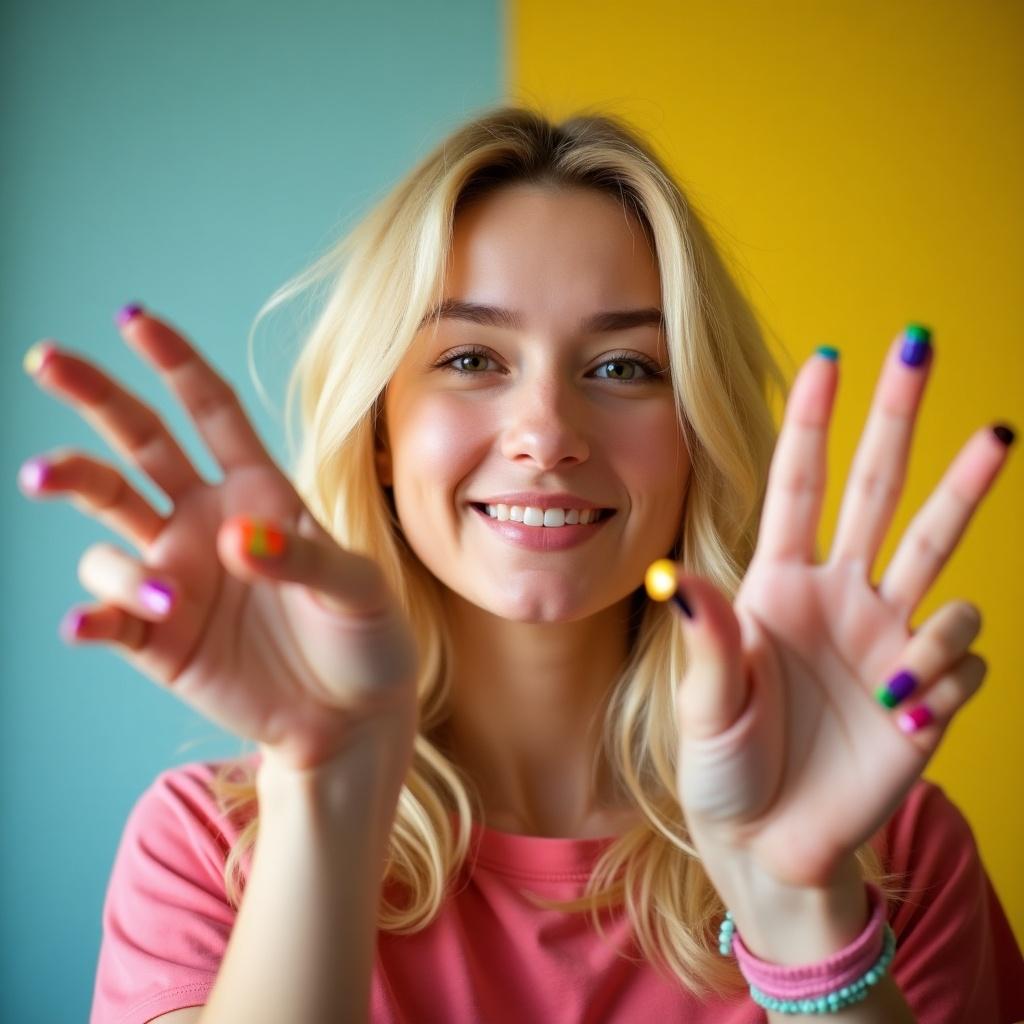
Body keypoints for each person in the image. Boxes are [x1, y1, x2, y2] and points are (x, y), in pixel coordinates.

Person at [19, 105, 1024, 1023]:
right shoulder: (209, 846)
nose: (546, 432)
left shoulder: (887, 849)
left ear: (695, 440)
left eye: (623, 367)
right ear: (379, 429)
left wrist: (798, 908)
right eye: (470, 360)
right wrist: (332, 788)